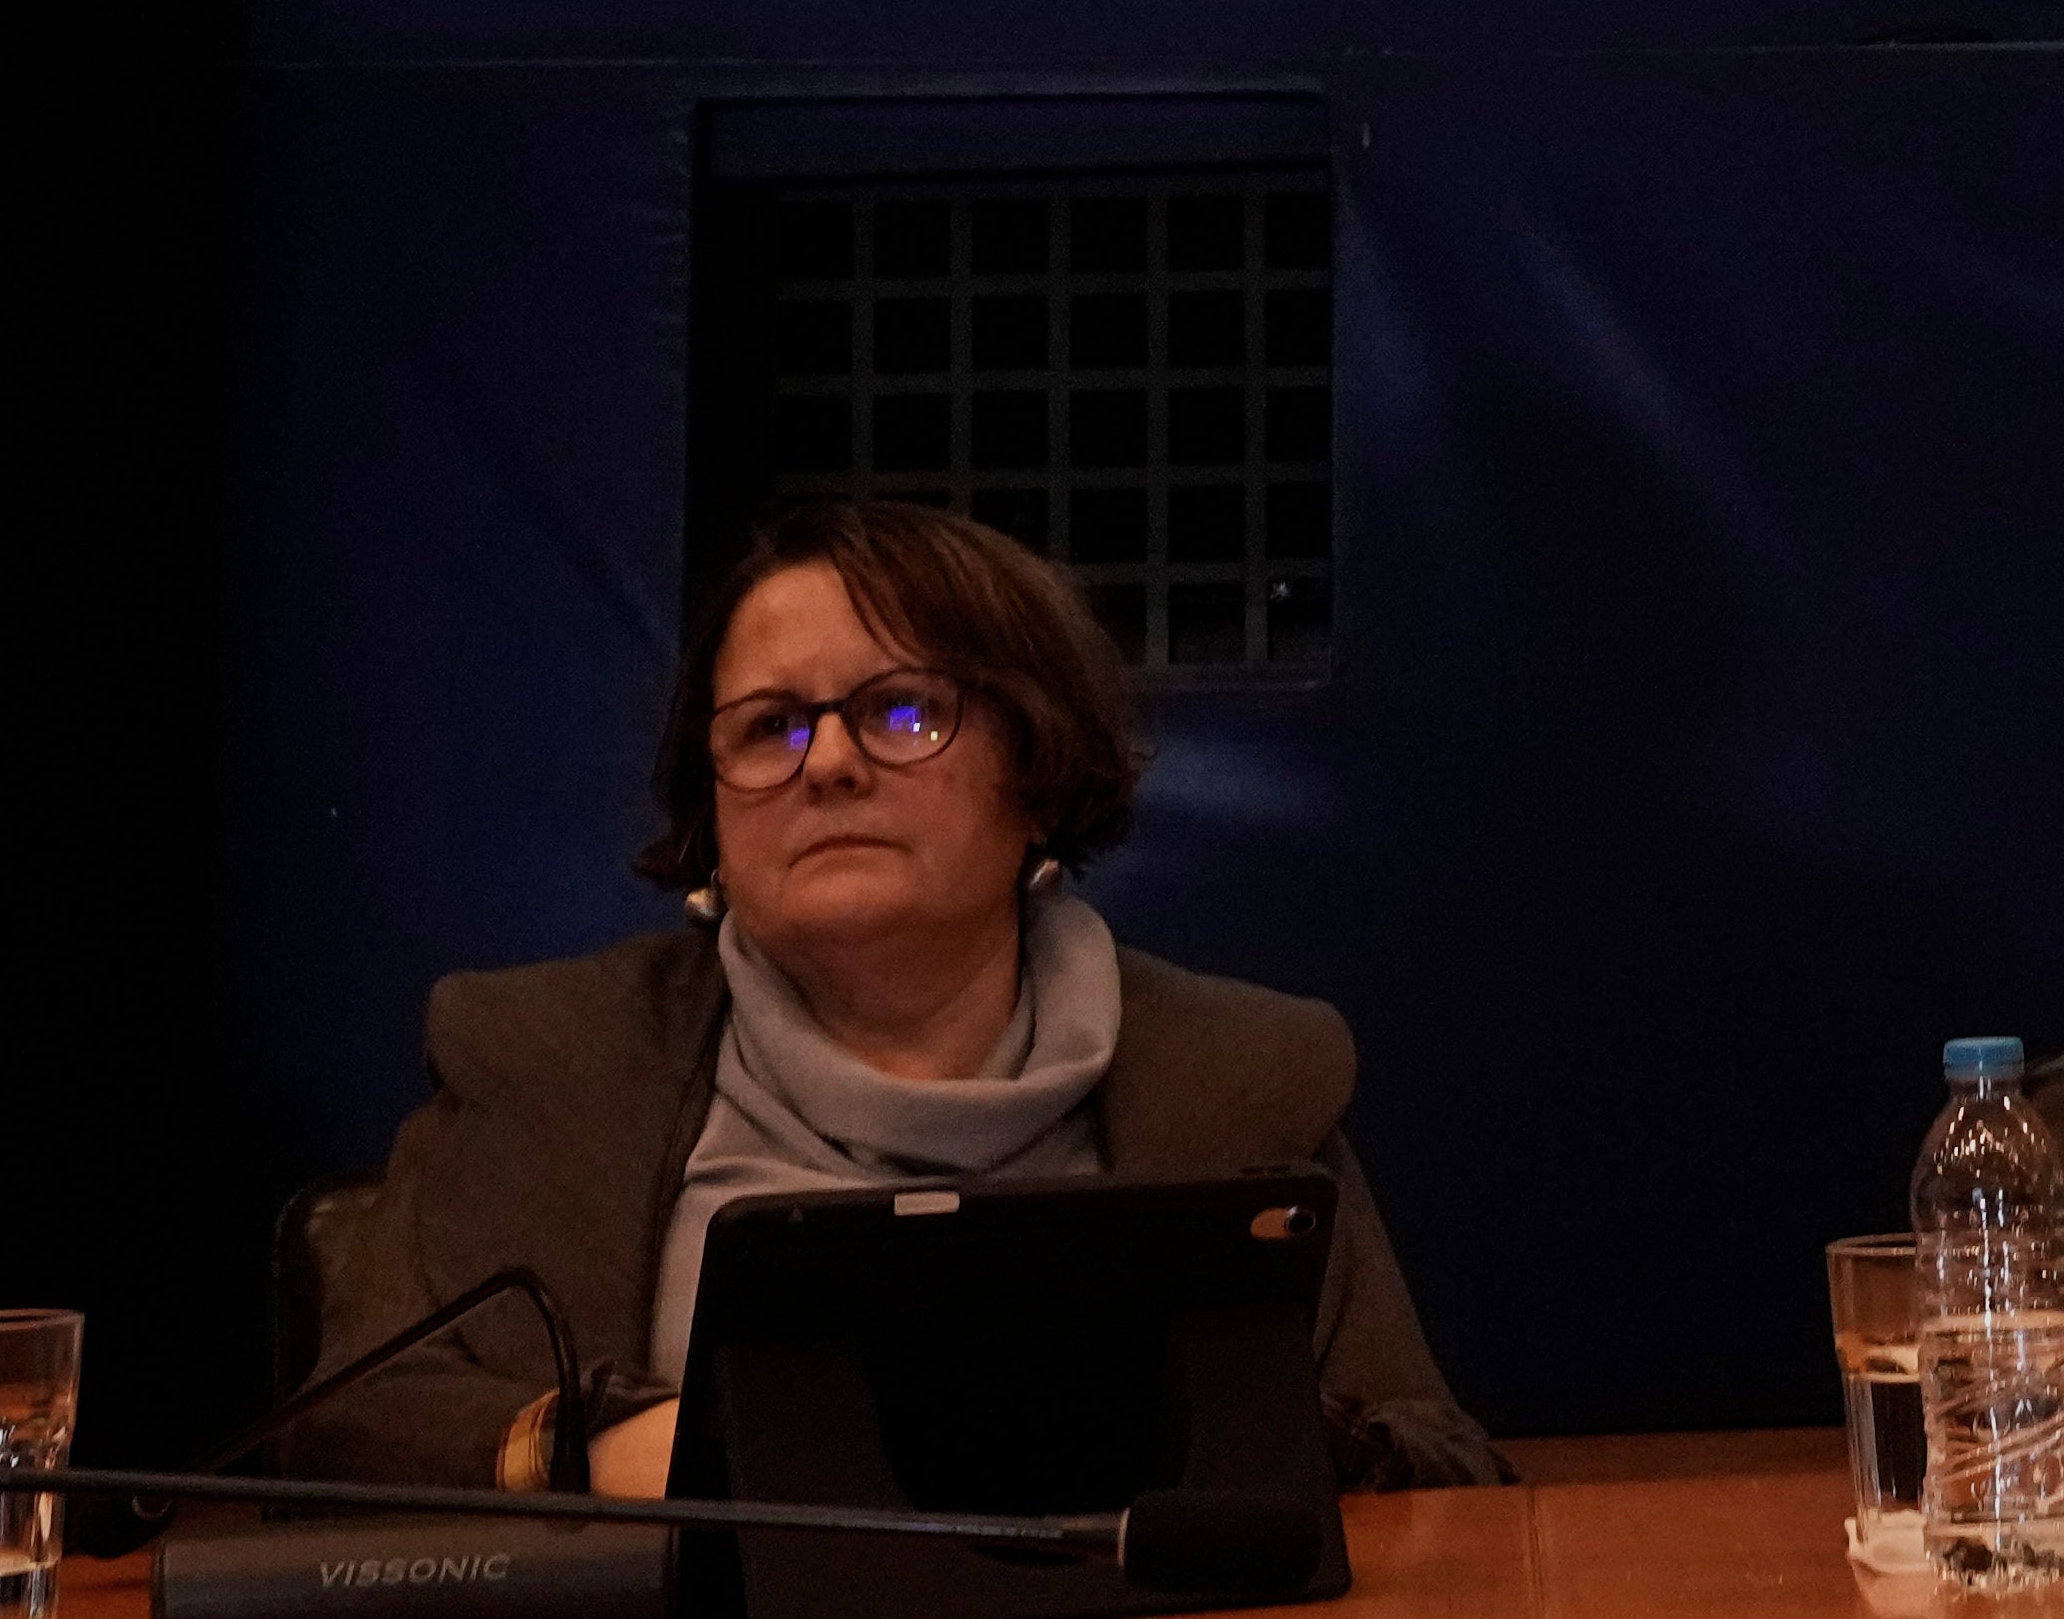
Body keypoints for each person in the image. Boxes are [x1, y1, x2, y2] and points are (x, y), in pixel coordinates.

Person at [294, 495, 1498, 1499]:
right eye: (770, 728)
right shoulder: (538, 1061)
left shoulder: (1240, 1075)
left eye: (901, 711)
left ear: (1035, 769)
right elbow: (348, 1428)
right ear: (710, 814)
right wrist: (608, 1445)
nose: (827, 763)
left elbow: (1434, 1457)